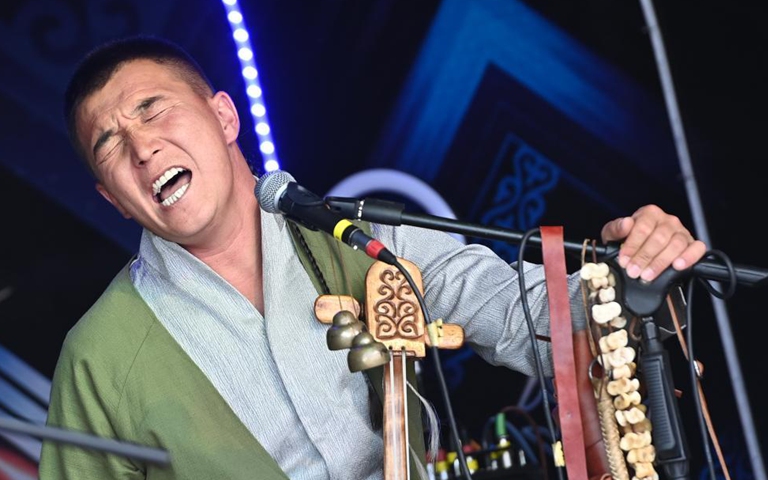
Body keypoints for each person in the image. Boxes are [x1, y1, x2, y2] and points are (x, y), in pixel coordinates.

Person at [38, 34, 707, 480]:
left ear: (223, 117)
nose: (142, 148)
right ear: (112, 198)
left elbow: (517, 313)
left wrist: (624, 278)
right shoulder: (99, 357)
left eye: (152, 110)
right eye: (109, 143)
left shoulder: (357, 238)